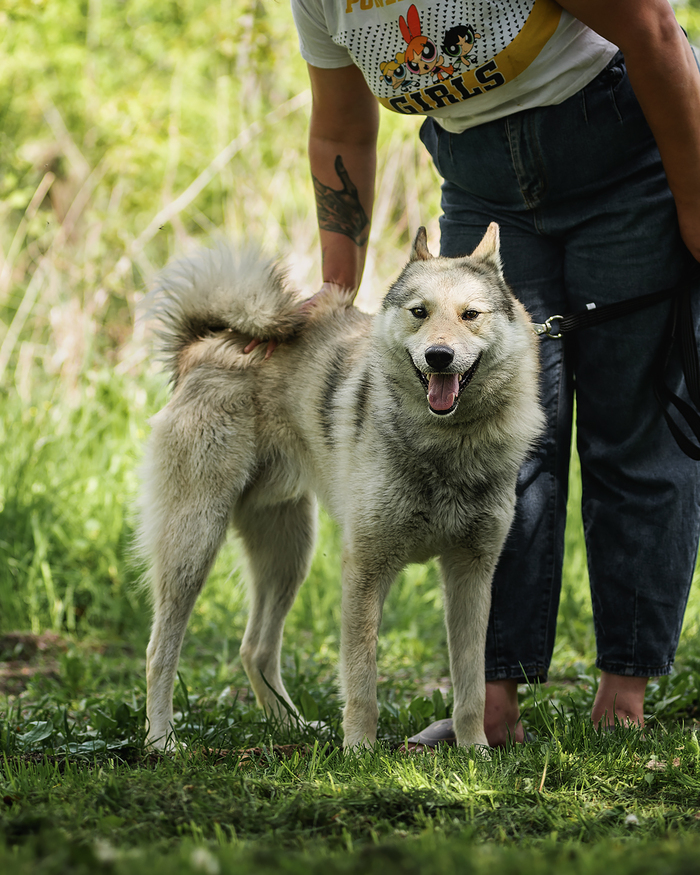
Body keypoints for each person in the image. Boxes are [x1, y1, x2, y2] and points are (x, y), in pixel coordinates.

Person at [286, 0, 700, 745]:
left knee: (632, 427)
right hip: (481, 181)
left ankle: (624, 697)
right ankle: (490, 706)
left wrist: (698, 207)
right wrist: (337, 290)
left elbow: (653, 30)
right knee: (491, 442)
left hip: (625, 160)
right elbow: (341, 129)